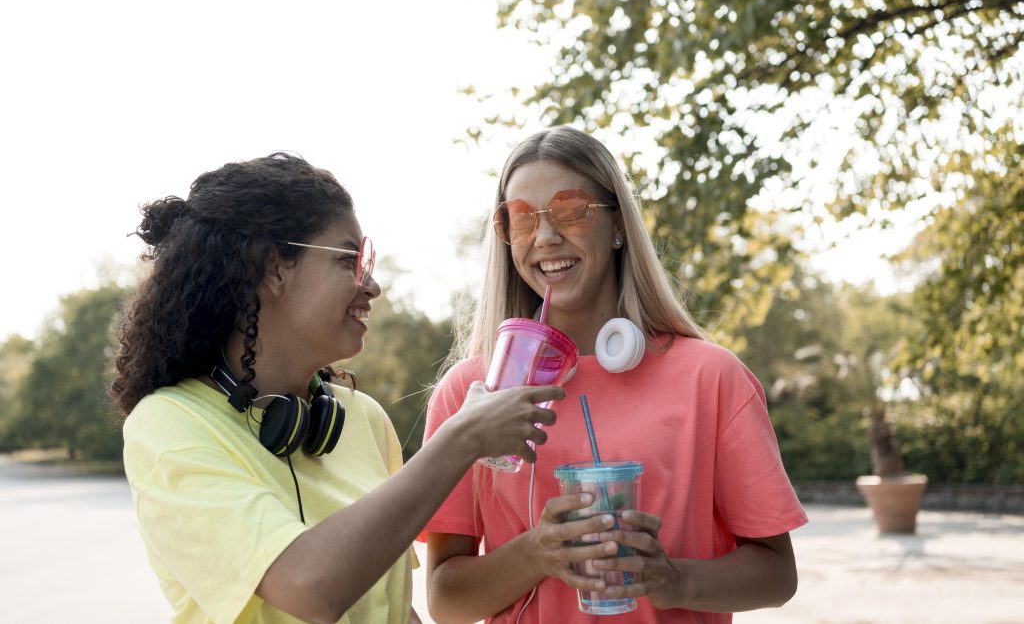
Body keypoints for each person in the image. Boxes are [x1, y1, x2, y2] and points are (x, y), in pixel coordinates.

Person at [108, 153, 564, 624]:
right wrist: (461, 438)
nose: (372, 286)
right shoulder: (168, 425)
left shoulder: (361, 417)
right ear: (273, 268)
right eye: (349, 259)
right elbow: (309, 588)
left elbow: (393, 609)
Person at [421, 127, 808, 623]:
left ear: (619, 225)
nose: (545, 237)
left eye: (571, 211)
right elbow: (445, 602)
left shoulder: (711, 377)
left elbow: (778, 576)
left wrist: (677, 580)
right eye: (521, 220)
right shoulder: (471, 393)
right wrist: (536, 553)